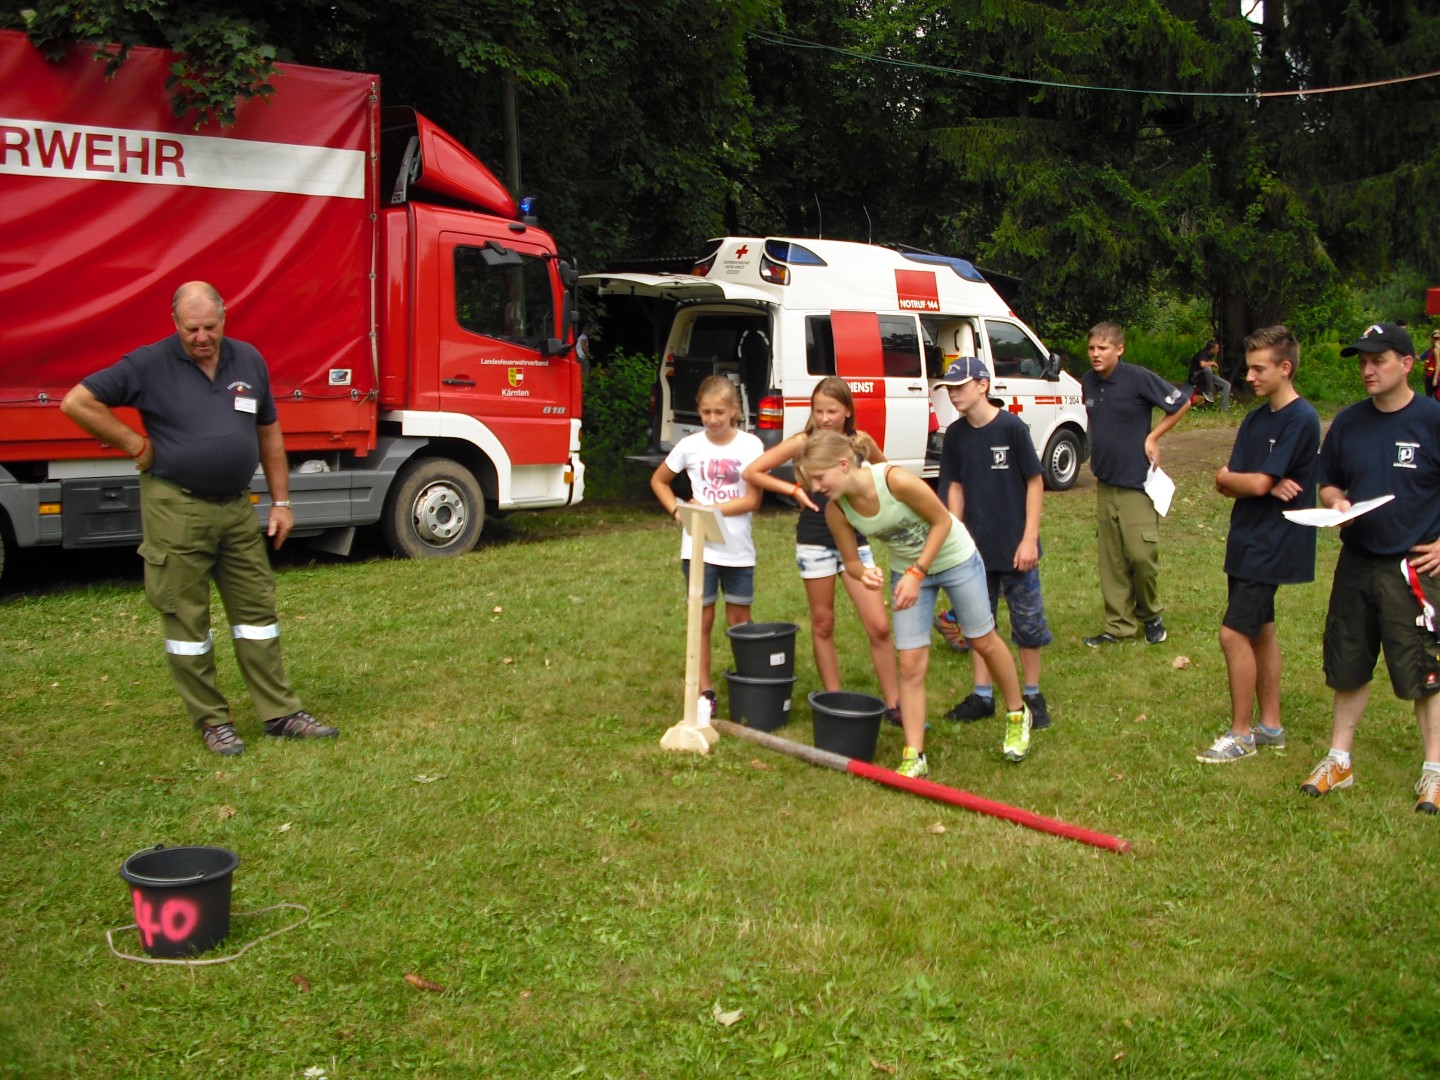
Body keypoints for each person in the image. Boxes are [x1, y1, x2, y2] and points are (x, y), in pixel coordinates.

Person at [59, 282, 336, 756]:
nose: (202, 337)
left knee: (257, 615)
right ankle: (213, 721)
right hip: (177, 508)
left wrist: (282, 501)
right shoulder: (148, 364)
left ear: (224, 319)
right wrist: (137, 446)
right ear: (175, 324)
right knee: (187, 620)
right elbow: (77, 402)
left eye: (210, 326)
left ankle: (280, 713)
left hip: (236, 507)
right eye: (192, 329)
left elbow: (268, 431)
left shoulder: (247, 360)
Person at [797, 431, 1032, 776]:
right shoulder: (837, 511)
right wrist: (866, 573)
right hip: (908, 572)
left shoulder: (895, 481)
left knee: (982, 641)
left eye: (818, 477)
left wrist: (918, 572)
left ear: (843, 465)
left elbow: (942, 521)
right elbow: (851, 562)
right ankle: (914, 754)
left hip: (953, 558)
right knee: (909, 662)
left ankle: (1017, 714)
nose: (815, 487)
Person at [1299, 323, 1440, 813]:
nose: (1366, 369)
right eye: (1361, 360)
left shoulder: (1432, 420)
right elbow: (1330, 483)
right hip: (1357, 561)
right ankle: (1340, 760)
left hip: (1414, 568)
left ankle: (1434, 770)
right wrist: (1335, 502)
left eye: (1377, 360)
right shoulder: (1349, 423)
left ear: (1406, 363)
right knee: (1348, 661)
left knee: (1424, 669)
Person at [1196, 326, 1320, 763]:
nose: (1248, 376)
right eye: (1247, 367)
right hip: (1246, 538)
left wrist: (1253, 483)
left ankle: (1241, 734)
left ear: (1285, 369)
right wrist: (1241, 482)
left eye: (1258, 368)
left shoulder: (1302, 419)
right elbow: (1229, 480)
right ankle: (1270, 727)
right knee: (1261, 632)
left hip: (1274, 542)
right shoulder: (1254, 418)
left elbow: (1258, 480)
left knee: (1233, 635)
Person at [742, 378, 901, 719]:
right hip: (814, 541)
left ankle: (895, 704)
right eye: (818, 410)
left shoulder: (859, 443)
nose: (825, 418)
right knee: (823, 623)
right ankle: (834, 699)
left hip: (855, 541)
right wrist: (794, 490)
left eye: (832, 410)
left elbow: (885, 474)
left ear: (847, 411)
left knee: (879, 625)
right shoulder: (803, 442)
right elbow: (753, 471)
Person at [935, 357, 1054, 730]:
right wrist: (956, 533)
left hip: (1016, 546)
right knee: (977, 624)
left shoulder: (1012, 428)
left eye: (961, 386)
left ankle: (1032, 694)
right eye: (950, 388)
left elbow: (1035, 483)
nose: (954, 394)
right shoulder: (954, 435)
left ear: (983, 385)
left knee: (1028, 623)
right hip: (974, 551)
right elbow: (954, 485)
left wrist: (1029, 539)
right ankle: (982, 696)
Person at [650, 375, 764, 712]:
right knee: (702, 619)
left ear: (734, 411)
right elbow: (659, 480)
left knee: (739, 621)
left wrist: (710, 508)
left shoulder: (751, 446)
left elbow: (752, 500)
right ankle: (705, 692)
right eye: (705, 412)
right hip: (698, 548)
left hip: (738, 548)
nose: (713, 420)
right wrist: (676, 510)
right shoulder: (690, 446)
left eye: (719, 412)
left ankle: (748, 684)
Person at [1081, 322, 1192, 647]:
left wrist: (1153, 437)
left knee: (1142, 555)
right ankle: (1119, 626)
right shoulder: (1088, 382)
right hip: (1106, 485)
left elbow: (1182, 402)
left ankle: (1151, 615)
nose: (1096, 354)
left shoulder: (1137, 377)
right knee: (1112, 561)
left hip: (1137, 485)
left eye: (1103, 348)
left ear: (1119, 349)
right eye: (1091, 349)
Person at [1422, 330, 1440, 400]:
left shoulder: (1436, 350)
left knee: (1430, 395)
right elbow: (1420, 357)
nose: (1436, 340)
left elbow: (1438, 364)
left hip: (1433, 374)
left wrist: (1435, 378)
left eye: (1438, 338)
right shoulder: (1431, 350)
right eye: (1435, 338)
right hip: (1432, 374)